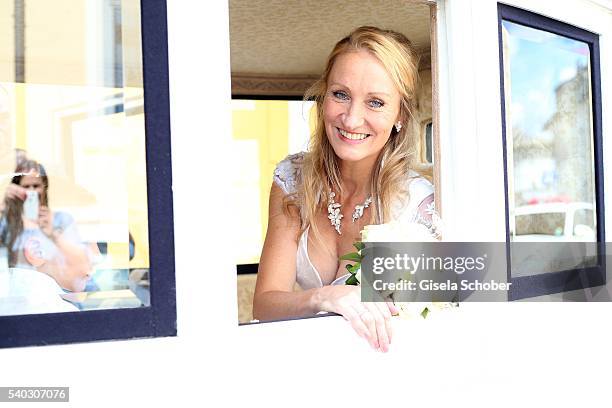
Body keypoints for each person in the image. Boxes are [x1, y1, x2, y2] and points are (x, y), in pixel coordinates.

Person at [253, 26, 435, 352]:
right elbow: (264, 306)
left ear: (401, 117)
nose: (351, 120)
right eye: (340, 94)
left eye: (375, 102)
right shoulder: (292, 180)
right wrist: (322, 298)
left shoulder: (420, 207)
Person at [0, 159, 92, 292]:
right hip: (17, 298)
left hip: (57, 297)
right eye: (25, 187)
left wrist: (53, 234)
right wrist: (3, 207)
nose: (31, 192)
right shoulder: (7, 222)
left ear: (44, 187)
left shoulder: (61, 220)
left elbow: (82, 267)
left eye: (36, 186)